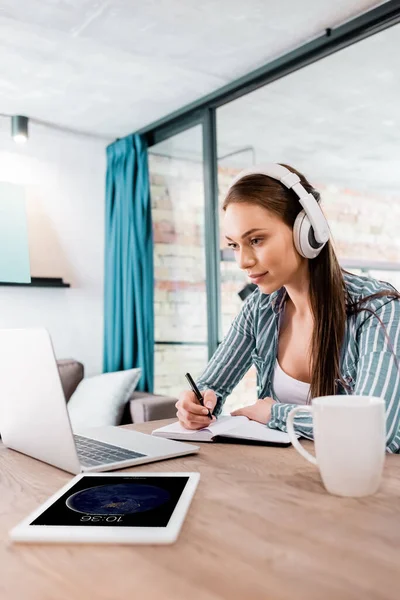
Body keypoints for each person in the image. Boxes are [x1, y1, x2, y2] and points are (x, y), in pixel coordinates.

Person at [175, 163, 400, 453]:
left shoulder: (377, 308)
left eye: (256, 240)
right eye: (234, 245)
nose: (242, 261)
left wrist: (275, 413)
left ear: (308, 232)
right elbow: (209, 388)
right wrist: (194, 405)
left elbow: (376, 427)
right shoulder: (259, 308)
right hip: (284, 478)